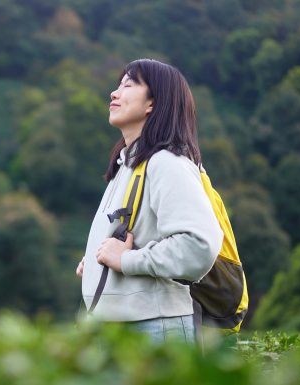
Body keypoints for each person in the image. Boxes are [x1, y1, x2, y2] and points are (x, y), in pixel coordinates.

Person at [76, 59, 223, 344]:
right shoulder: (126, 167)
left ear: (152, 104)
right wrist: (96, 263)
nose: (114, 93)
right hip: (118, 330)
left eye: (128, 85)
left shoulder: (166, 163)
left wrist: (127, 260)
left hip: (154, 330)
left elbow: (199, 245)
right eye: (118, 85)